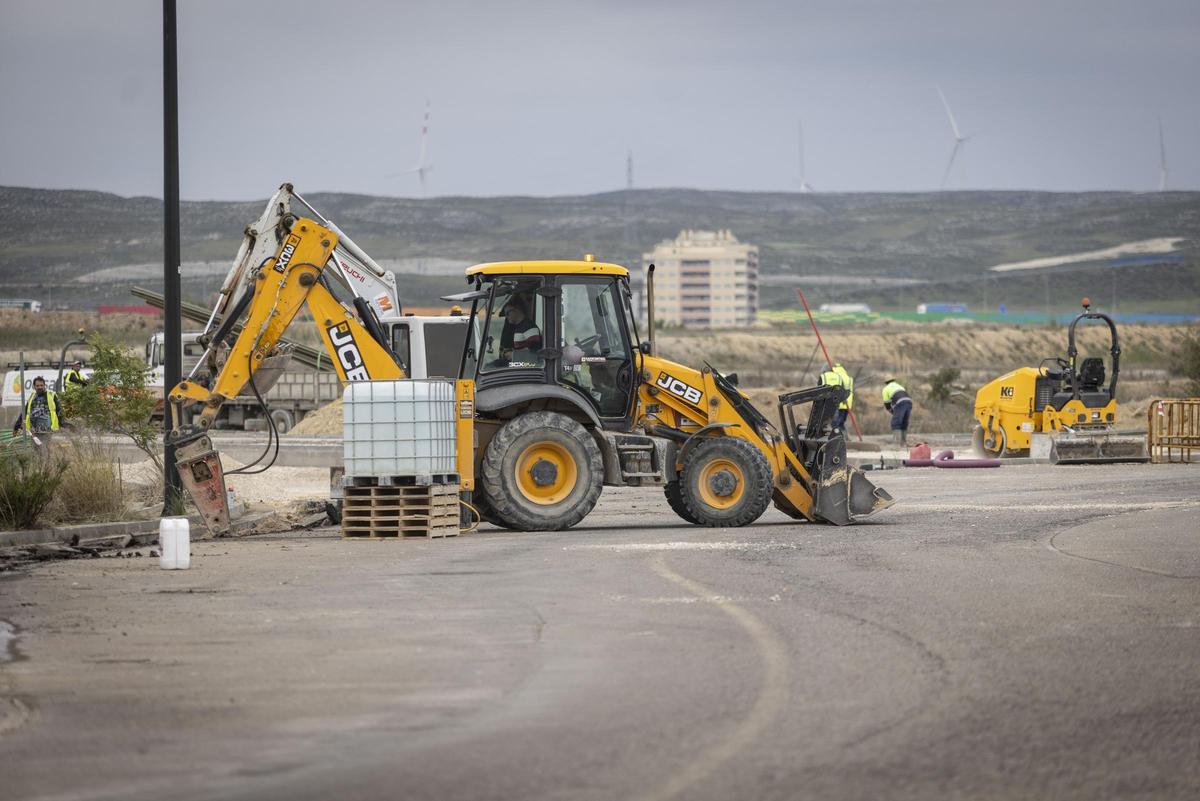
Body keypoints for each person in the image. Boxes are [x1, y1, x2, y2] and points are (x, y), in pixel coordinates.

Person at [13, 376, 64, 452]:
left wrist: (62, 423)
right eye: (37, 386)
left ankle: (47, 463)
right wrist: (17, 426)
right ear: (34, 387)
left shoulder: (51, 395)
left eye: (41, 385)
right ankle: (41, 463)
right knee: (37, 451)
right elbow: (25, 411)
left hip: (47, 430)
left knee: (45, 450)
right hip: (34, 431)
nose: (40, 387)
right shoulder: (32, 396)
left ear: (44, 385)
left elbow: (59, 410)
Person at [498, 296, 542, 366]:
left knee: (491, 367)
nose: (507, 317)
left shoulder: (529, 327)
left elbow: (535, 353)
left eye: (507, 313)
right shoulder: (518, 328)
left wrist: (513, 355)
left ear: (517, 309)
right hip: (520, 364)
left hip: (526, 366)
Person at [882, 377, 913, 446]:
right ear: (893, 380)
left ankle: (896, 443)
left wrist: (893, 412)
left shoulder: (885, 389)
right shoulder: (900, 386)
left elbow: (887, 404)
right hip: (909, 401)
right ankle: (903, 442)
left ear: (886, 383)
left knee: (896, 422)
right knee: (904, 421)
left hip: (900, 402)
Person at [819, 364, 849, 433]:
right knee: (835, 422)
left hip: (825, 402)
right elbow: (842, 390)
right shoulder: (838, 377)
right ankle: (836, 435)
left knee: (822, 423)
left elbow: (818, 390)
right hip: (835, 402)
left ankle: (824, 435)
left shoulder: (823, 376)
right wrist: (843, 400)